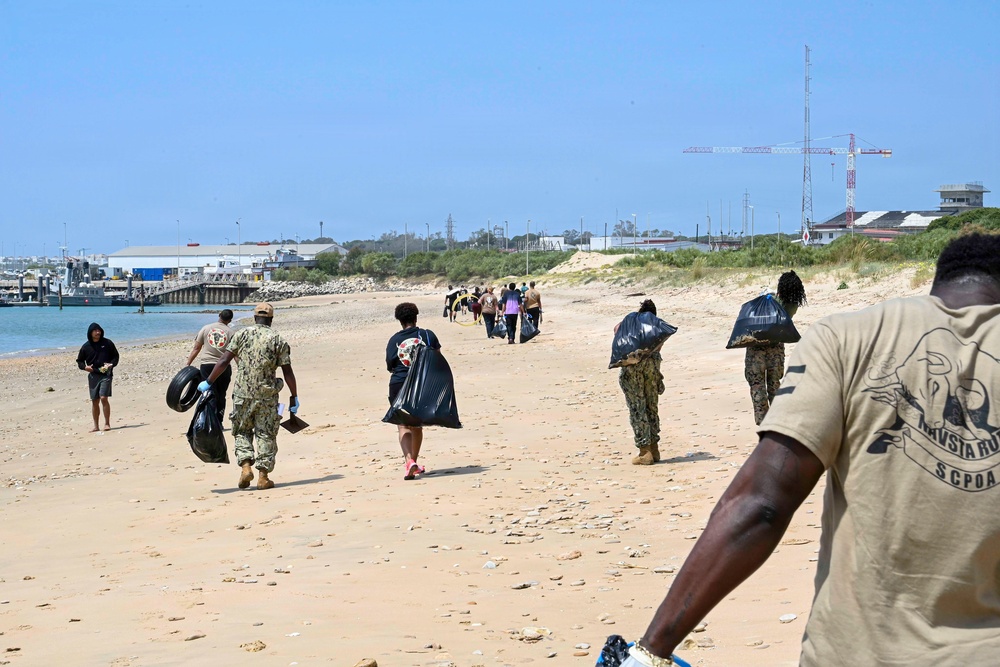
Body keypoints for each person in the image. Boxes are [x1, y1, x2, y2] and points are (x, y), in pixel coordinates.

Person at [626, 234, 1000, 666]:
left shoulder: (849, 337)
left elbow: (761, 503)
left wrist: (650, 651)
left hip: (854, 655)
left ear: (936, 285)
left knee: (763, 404)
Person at [199, 303, 298, 491]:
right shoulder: (278, 339)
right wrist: (294, 396)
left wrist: (209, 382)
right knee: (266, 433)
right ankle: (263, 477)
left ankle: (245, 467)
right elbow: (288, 372)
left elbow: (223, 360)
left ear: (254, 318)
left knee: (242, 430)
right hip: (268, 396)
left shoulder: (241, 335)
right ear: (271, 319)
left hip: (242, 394)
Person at [385, 302, 441, 480]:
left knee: (403, 425)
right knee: (416, 425)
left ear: (399, 320)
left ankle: (409, 461)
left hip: (399, 383)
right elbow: (437, 358)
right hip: (421, 384)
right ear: (416, 317)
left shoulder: (394, 340)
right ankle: (413, 462)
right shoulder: (427, 335)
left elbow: (390, 365)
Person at [744, 270, 807, 425]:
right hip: (776, 349)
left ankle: (763, 422)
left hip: (756, 348)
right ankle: (778, 420)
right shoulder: (792, 306)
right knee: (774, 385)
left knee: (757, 386)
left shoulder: (770, 300)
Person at [615, 300, 665, 465]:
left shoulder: (631, 321)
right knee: (651, 406)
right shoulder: (656, 325)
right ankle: (655, 448)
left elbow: (616, 329)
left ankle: (645, 452)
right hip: (652, 367)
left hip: (633, 369)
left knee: (638, 408)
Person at [185, 309, 235, 421]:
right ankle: (218, 421)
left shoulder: (206, 328)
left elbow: (196, 348)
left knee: (208, 393)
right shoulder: (231, 333)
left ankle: (207, 420)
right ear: (230, 320)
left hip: (207, 365)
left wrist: (188, 364)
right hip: (224, 367)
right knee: (221, 394)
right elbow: (235, 354)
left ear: (219, 315)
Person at [76, 322, 119, 432]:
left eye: (99, 330)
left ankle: (107, 423)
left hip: (106, 374)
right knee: (95, 401)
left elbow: (116, 356)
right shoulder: (86, 346)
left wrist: (111, 364)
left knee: (104, 398)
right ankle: (96, 426)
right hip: (93, 375)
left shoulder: (108, 343)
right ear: (90, 333)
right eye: (95, 331)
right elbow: (79, 361)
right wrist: (85, 368)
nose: (98, 332)